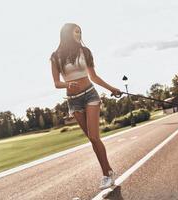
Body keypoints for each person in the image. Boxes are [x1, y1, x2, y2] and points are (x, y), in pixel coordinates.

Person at [50, 23, 121, 190]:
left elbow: (94, 77)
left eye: (80, 32)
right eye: (76, 32)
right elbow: (56, 83)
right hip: (73, 100)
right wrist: (67, 85)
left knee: (95, 137)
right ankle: (109, 172)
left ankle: (106, 174)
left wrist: (111, 89)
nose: (79, 34)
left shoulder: (85, 52)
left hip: (90, 94)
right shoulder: (55, 57)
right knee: (91, 139)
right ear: (67, 34)